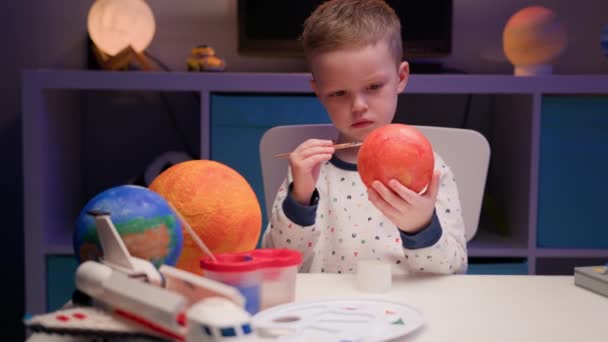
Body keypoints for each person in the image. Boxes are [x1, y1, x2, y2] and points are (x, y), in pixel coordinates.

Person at [261, 0, 467, 275]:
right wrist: (299, 201)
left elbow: (454, 270)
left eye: (373, 86)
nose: (358, 105)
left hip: (406, 309)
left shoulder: (431, 170)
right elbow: (277, 263)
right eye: (338, 93)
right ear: (319, 91)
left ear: (401, 77)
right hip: (329, 311)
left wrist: (421, 226)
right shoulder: (312, 173)